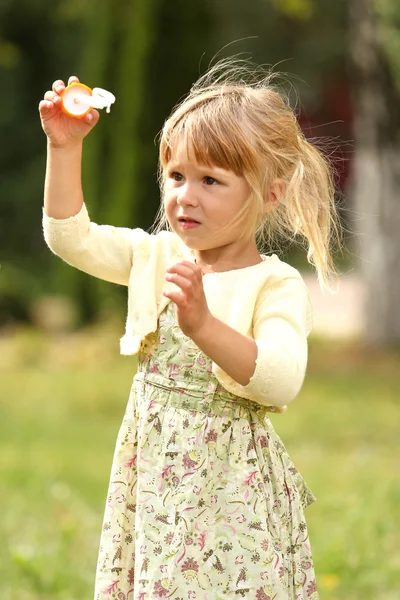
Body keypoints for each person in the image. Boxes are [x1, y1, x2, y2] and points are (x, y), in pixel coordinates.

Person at [40, 60, 341, 600]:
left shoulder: (274, 284)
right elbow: (71, 238)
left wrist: (203, 326)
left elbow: (280, 380)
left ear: (269, 195)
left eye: (211, 181)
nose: (185, 195)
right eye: (177, 176)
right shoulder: (152, 255)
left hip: (229, 488)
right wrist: (65, 149)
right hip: (154, 476)